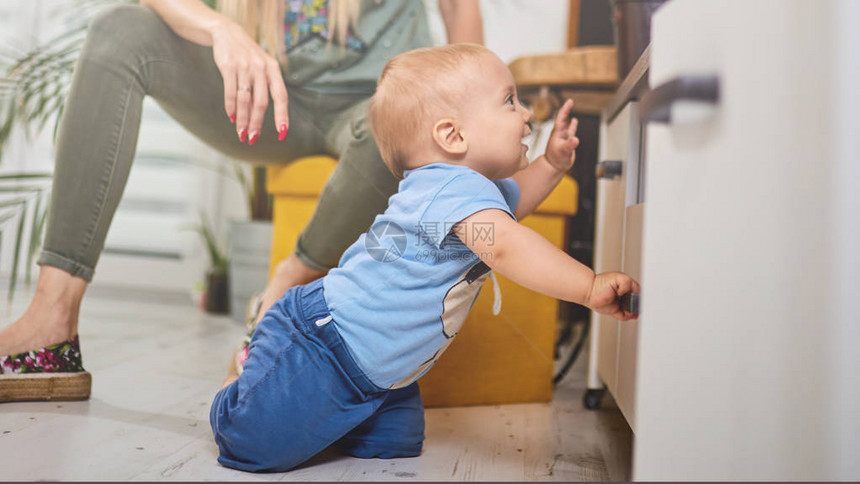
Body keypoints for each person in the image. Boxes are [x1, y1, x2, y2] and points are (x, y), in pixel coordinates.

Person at [0, 0, 482, 402]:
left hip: (378, 100)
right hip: (266, 97)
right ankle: (51, 321)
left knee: (404, 131)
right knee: (120, 30)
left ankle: (279, 292)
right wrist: (221, 28)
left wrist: (469, 107)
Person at [209, 43, 641, 472]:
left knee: (397, 442)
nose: (527, 114)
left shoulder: (468, 194)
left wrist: (551, 163)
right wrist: (587, 286)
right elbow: (505, 244)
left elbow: (513, 205)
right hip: (321, 345)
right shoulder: (446, 191)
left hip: (385, 375)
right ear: (453, 136)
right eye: (510, 101)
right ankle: (242, 381)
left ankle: (339, 415)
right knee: (251, 442)